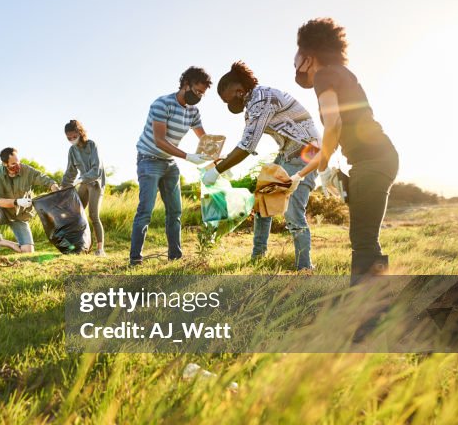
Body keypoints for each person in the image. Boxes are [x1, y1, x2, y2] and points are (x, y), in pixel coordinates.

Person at [291, 18, 400, 282]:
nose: (294, 66)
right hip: (377, 158)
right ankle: (373, 309)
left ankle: (369, 316)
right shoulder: (340, 72)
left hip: (372, 161)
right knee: (365, 238)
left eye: (295, 60)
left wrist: (323, 166)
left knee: (363, 241)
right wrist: (299, 176)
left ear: (309, 56)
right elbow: (332, 136)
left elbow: (333, 124)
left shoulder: (324, 74)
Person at [202, 61, 320, 270]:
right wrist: (223, 162)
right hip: (287, 155)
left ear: (238, 91)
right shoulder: (254, 103)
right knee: (262, 205)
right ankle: (258, 258)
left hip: (306, 155)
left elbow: (247, 146)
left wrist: (216, 171)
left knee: (293, 213)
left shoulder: (262, 100)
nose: (227, 105)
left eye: (226, 100)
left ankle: (305, 268)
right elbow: (245, 140)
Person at [129, 66, 214, 266]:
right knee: (146, 211)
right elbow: (159, 140)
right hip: (149, 159)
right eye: (197, 91)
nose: (199, 96)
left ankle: (175, 257)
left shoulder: (193, 111)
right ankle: (135, 260)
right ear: (186, 84)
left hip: (169, 163)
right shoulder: (162, 103)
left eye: (203, 93)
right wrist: (188, 156)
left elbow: (204, 137)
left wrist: (217, 156)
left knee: (175, 211)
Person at [0, 147, 60, 253]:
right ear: (5, 164)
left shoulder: (26, 170)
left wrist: (54, 186)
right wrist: (17, 202)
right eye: (13, 164)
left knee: (28, 251)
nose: (18, 166)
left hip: (20, 215)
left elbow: (42, 178)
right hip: (3, 211)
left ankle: (0, 241)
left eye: (18, 162)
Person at [61, 120, 107, 257]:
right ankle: (78, 247)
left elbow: (96, 169)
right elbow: (70, 172)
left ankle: (100, 249)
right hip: (83, 184)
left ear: (80, 133)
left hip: (96, 183)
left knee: (93, 215)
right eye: (68, 138)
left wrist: (81, 179)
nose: (71, 140)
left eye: (74, 136)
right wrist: (62, 187)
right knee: (74, 214)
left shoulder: (91, 145)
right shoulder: (72, 150)